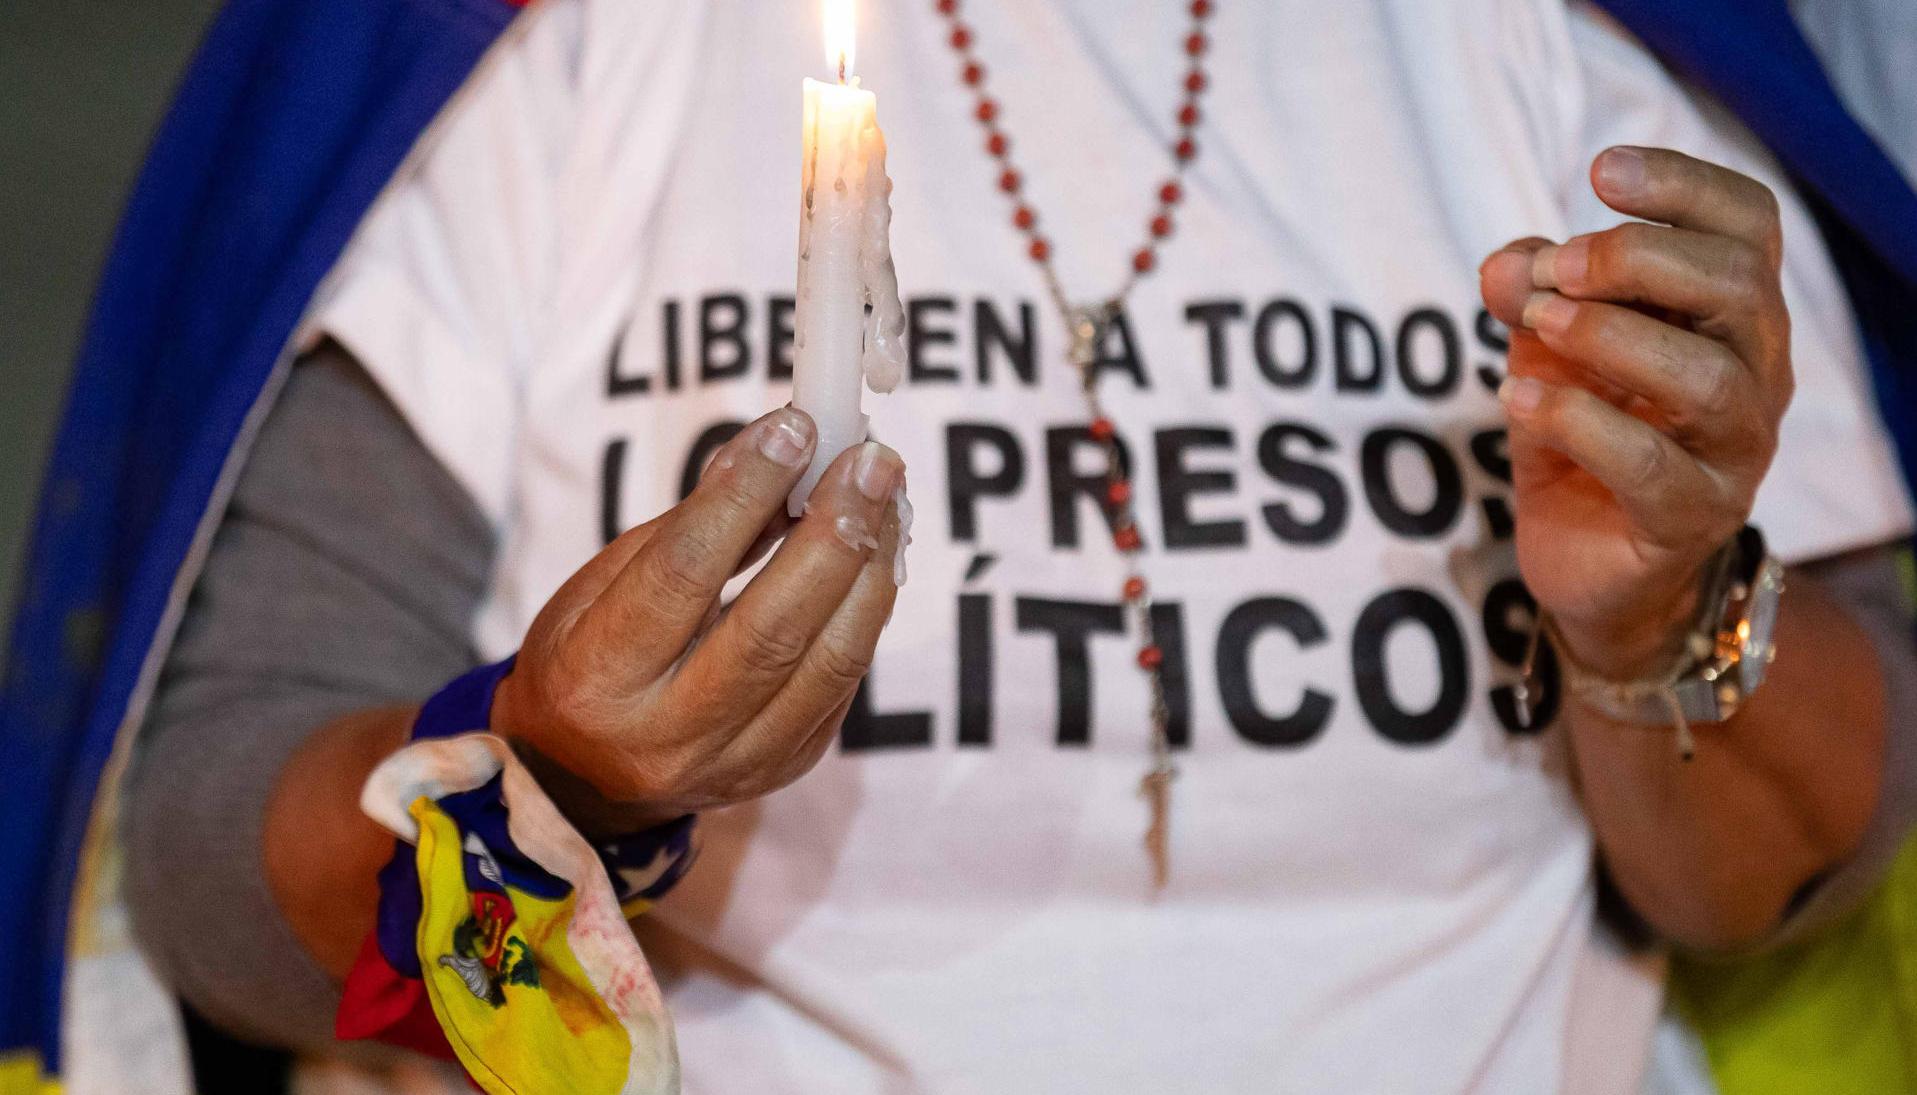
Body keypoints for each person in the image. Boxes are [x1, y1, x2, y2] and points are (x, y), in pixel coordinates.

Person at [12, 0, 1916, 1091]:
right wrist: (548, 784)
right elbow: (209, 858)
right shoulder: (538, 58)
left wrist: (1652, 614)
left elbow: (1791, 873)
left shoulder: (1540, 52)